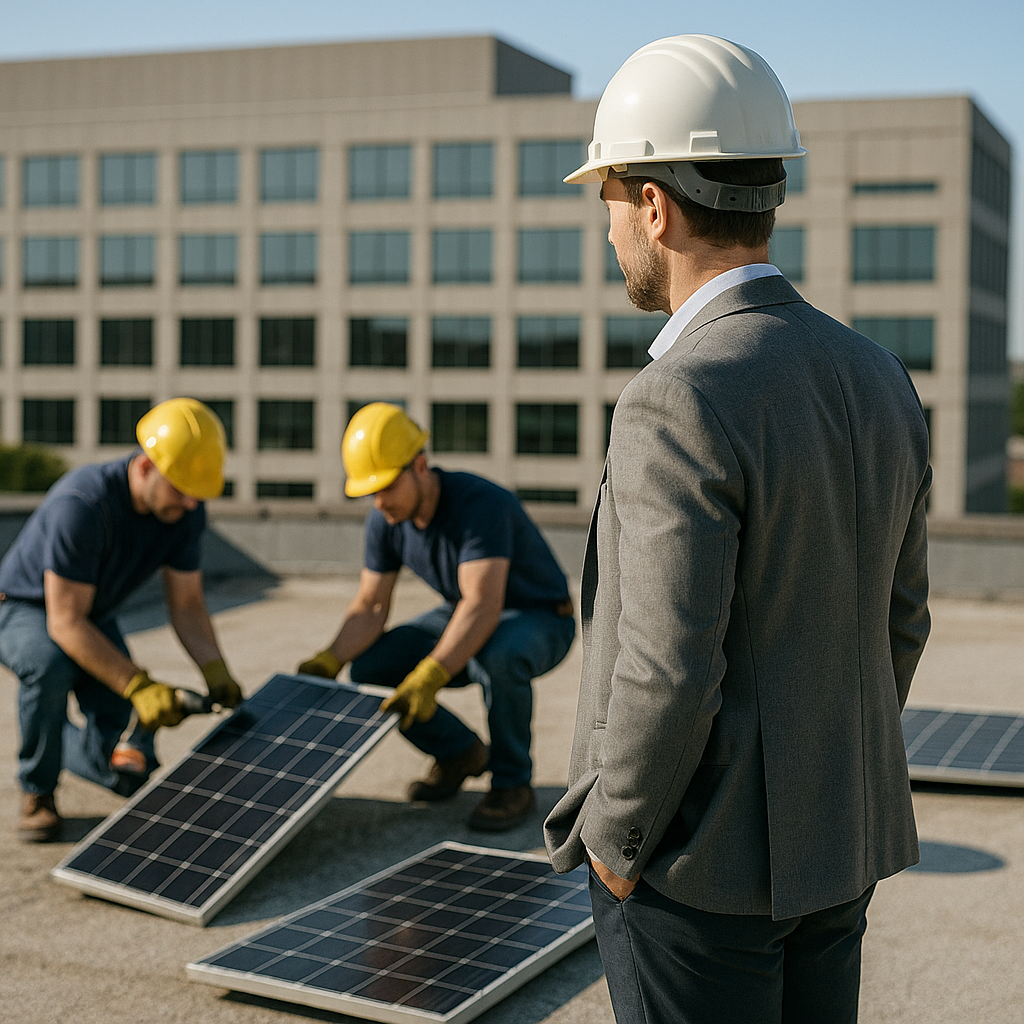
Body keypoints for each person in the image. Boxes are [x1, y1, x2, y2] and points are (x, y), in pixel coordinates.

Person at [543, 35, 931, 1024]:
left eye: (608, 205)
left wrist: (614, 842)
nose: (610, 233)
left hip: (695, 875)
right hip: (838, 847)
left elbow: (667, 666)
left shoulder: (675, 394)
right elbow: (902, 618)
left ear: (654, 206)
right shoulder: (879, 377)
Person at [297, 402, 575, 832]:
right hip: (465, 607)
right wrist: (328, 660)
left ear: (420, 466)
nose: (378, 500)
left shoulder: (480, 504)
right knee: (371, 667)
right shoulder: (386, 519)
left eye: (386, 486)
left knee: (496, 658)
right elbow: (371, 605)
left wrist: (430, 675)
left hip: (539, 617)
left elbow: (483, 605)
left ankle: (512, 783)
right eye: (370, 490)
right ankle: (459, 753)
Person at [0, 397, 243, 843]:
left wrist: (215, 669)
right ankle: (37, 790)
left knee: (123, 770)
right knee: (49, 666)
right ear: (147, 466)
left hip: (92, 613)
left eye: (197, 492)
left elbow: (186, 603)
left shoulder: (185, 511)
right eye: (181, 488)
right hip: (24, 608)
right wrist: (139, 685)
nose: (190, 503)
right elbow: (65, 622)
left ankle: (57, 740)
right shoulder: (84, 504)